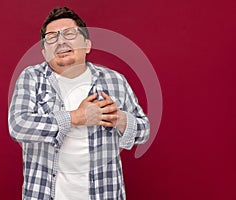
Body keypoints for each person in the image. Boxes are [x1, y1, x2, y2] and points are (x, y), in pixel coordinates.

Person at [8, 7, 150, 200]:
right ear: (44, 52)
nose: (60, 41)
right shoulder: (31, 78)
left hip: (104, 193)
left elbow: (144, 131)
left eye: (69, 34)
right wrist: (77, 117)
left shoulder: (114, 80)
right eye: (52, 37)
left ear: (87, 45)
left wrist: (120, 119)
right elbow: (18, 125)